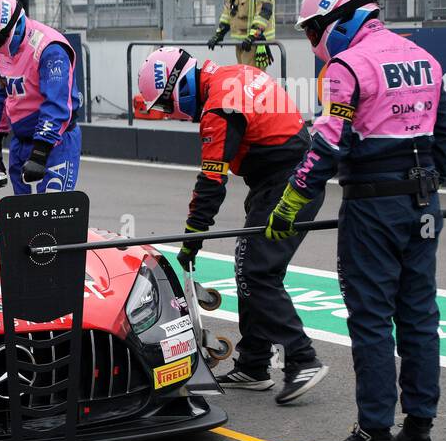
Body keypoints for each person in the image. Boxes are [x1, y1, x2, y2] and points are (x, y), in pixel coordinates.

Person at [265, 0, 446, 441]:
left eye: (315, 29)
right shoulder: (424, 59)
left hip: (373, 208)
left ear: (341, 18)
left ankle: (374, 434)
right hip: (422, 204)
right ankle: (418, 429)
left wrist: (290, 204)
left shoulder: (347, 66)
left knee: (372, 318)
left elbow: (328, 145)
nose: (314, 40)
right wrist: (428, 181)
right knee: (419, 315)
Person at [136, 46, 328, 403]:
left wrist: (192, 238)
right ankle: (254, 363)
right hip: (283, 178)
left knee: (257, 273)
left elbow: (211, 183)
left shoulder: (219, 107)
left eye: (165, 105)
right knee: (248, 267)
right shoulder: (234, 74)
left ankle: (303, 358)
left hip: (286, 185)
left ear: (178, 89)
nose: (170, 114)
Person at [0, 0, 83, 195]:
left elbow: (57, 105)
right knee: (22, 218)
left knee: (52, 216)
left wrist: (40, 153)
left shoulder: (50, 49)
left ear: (12, 28)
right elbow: (3, 95)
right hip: (20, 142)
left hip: (56, 144)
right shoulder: (2, 51)